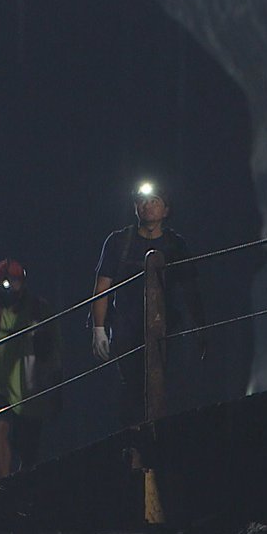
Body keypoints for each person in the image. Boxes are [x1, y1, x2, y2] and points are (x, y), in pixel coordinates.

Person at [90, 181, 205, 426]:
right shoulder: (119, 242)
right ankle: (135, 449)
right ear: (135, 207)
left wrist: (199, 327)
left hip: (168, 330)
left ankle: (161, 445)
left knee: (168, 389)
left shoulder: (176, 245)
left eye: (155, 201)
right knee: (133, 391)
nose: (148, 206)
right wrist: (99, 329)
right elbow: (102, 288)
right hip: (127, 330)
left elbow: (190, 290)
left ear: (166, 209)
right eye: (143, 201)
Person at [0, 258, 61, 479]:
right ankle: (3, 485)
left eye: (15, 282)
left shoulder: (40, 309)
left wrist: (56, 389)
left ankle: (24, 487)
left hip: (31, 388)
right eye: (4, 283)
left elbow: (54, 354)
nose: (10, 287)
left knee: (29, 449)